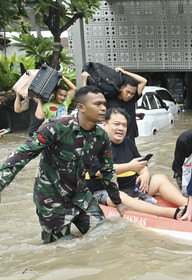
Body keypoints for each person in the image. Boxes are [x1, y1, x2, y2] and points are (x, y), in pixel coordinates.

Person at [0, 86, 128, 243]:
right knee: (62, 249)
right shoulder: (56, 127)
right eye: (98, 104)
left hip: (81, 196)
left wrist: (117, 202)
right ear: (81, 107)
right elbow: (23, 154)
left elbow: (108, 171)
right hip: (52, 200)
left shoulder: (101, 137)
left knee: (104, 234)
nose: (103, 109)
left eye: (104, 104)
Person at [87, 107, 187, 219]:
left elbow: (141, 163)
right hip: (104, 190)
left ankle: (187, 204)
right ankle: (169, 212)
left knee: (160, 178)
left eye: (124, 125)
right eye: (116, 124)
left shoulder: (128, 142)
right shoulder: (95, 144)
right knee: (119, 196)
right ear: (104, 125)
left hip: (130, 186)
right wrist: (130, 166)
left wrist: (145, 174)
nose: (121, 128)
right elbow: (98, 172)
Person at [104, 68, 147, 142]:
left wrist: (124, 72)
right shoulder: (109, 101)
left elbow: (143, 81)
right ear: (121, 88)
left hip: (130, 139)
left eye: (132, 93)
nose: (129, 95)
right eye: (127, 92)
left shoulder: (132, 99)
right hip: (113, 140)